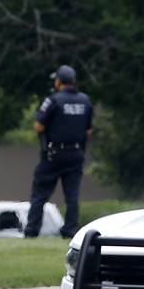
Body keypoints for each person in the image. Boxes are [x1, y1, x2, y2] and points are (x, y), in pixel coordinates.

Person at [24, 65, 93, 239]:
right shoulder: (85, 100)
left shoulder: (53, 100)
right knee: (72, 195)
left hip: (54, 154)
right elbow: (88, 131)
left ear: (59, 81)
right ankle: (70, 229)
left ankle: (32, 230)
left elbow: (39, 125)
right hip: (76, 153)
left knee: (40, 193)